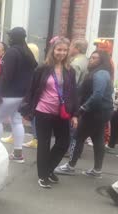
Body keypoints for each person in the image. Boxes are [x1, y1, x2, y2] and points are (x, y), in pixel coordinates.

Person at [21, 37, 77, 188]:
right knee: (44, 144)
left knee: (63, 142)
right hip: (43, 111)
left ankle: (49, 168)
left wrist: (75, 114)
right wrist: (27, 110)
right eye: (59, 49)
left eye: (65, 50)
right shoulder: (42, 69)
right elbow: (32, 90)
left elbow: (73, 93)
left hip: (62, 113)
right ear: (53, 51)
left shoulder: (70, 71)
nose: (62, 53)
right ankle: (43, 175)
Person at [55, 51, 115, 178]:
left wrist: (82, 108)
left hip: (95, 112)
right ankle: (97, 170)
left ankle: (70, 166)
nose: (91, 60)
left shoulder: (100, 74)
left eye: (95, 58)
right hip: (101, 112)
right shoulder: (101, 73)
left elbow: (97, 95)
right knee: (97, 139)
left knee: (78, 137)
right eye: (91, 57)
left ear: (101, 61)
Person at [0, 27, 38, 163]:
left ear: (13, 37)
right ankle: (18, 153)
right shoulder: (28, 52)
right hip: (22, 95)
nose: (9, 38)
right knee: (17, 121)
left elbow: (7, 75)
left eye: (10, 36)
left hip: (8, 94)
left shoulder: (12, 52)